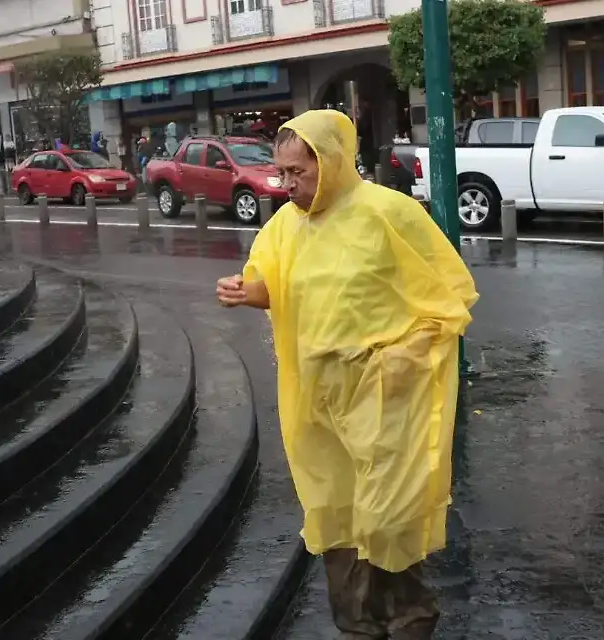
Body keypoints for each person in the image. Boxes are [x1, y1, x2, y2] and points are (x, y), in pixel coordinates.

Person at [215, 110, 478, 640]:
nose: (287, 185)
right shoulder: (285, 227)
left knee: (387, 514)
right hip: (317, 396)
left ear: (331, 162)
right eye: (281, 173)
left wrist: (400, 360)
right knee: (334, 510)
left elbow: (451, 295)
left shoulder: (387, 213)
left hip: (385, 394)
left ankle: (409, 620)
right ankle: (357, 626)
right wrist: (248, 293)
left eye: (298, 172)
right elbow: (274, 285)